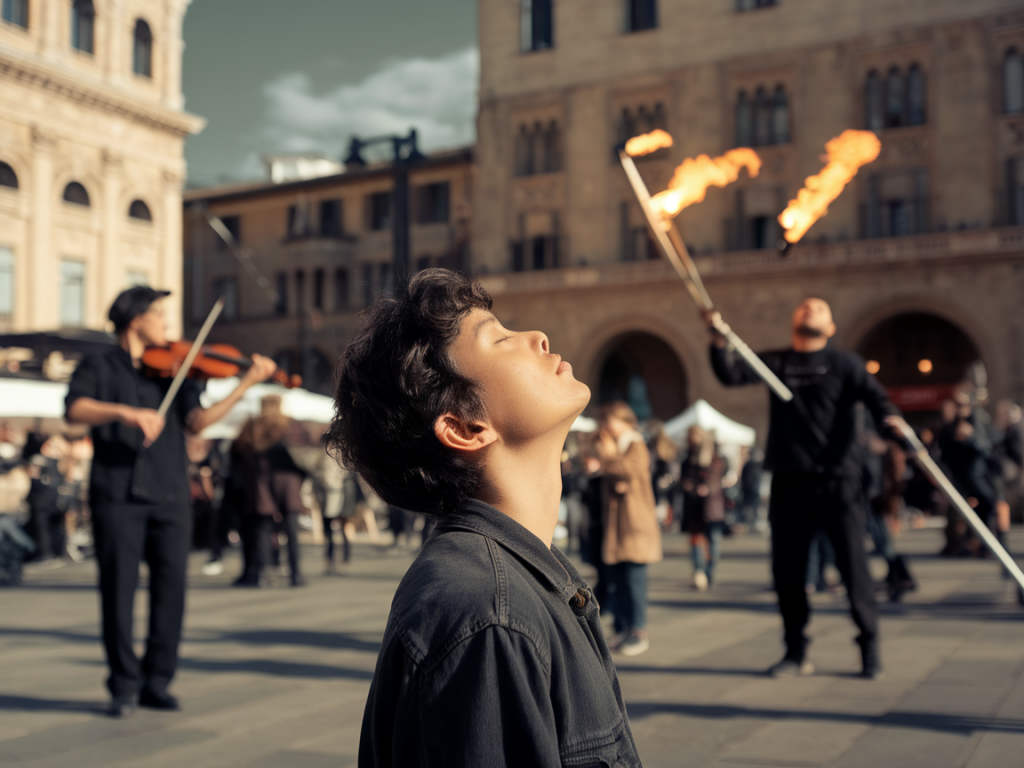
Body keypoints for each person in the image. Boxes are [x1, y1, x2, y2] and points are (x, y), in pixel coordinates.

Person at [325, 269, 642, 767]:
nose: (538, 337)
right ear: (465, 427)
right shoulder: (488, 616)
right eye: (499, 338)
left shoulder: (508, 584)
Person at [65, 286, 277, 718]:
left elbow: (197, 423)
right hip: (116, 494)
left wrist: (244, 385)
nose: (166, 323)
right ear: (134, 319)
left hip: (170, 494)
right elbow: (75, 410)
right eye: (158, 314)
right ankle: (123, 684)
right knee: (117, 592)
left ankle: (157, 681)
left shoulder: (174, 370)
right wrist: (126, 413)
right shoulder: (99, 365)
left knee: (171, 592)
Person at [706, 297, 904, 680]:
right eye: (804, 304)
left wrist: (892, 422)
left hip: (838, 480)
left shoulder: (847, 364)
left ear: (830, 327)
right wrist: (717, 341)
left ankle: (869, 646)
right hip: (789, 479)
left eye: (820, 306)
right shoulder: (776, 362)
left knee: (853, 568)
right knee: (788, 571)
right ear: (794, 321)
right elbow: (731, 374)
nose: (810, 306)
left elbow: (879, 401)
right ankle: (796, 651)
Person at [596, 401, 663, 656]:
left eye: (611, 421)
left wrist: (609, 455)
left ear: (625, 421)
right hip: (619, 526)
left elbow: (625, 470)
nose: (607, 427)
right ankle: (623, 628)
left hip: (635, 525)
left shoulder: (635, 445)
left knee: (635, 582)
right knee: (620, 581)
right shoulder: (619, 445)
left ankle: (638, 631)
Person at [234, 395, 308, 587]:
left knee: (263, 529)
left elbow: (239, 451)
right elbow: (302, 452)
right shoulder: (289, 424)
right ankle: (295, 574)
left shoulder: (252, 425)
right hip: (288, 483)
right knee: (291, 531)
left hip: (262, 481)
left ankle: (265, 573)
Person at [680, 425, 727, 591]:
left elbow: (717, 479)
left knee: (713, 541)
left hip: (711, 507)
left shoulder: (715, 457)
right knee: (696, 541)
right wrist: (691, 486)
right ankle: (699, 572)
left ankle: (709, 573)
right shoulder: (688, 458)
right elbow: (683, 479)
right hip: (694, 506)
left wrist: (706, 487)